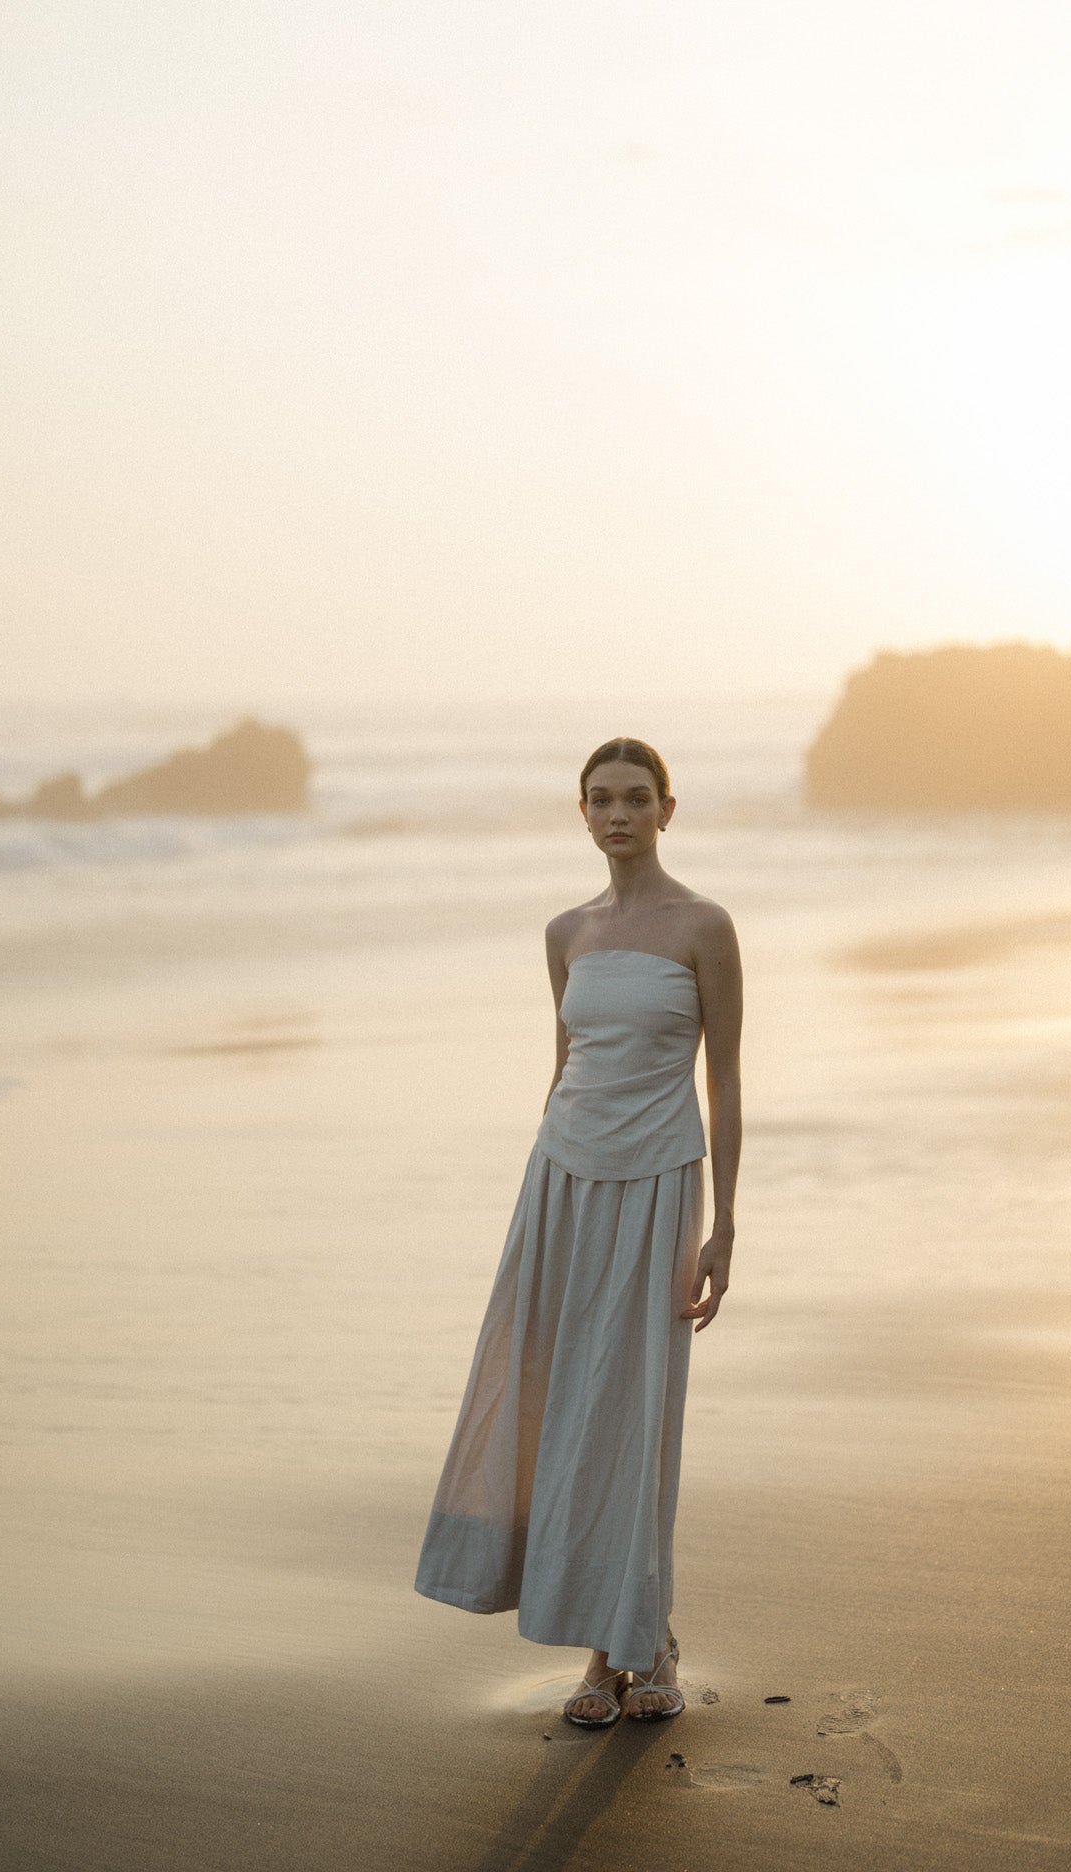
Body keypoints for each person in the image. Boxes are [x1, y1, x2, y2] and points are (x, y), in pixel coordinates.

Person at [414, 736, 742, 1725]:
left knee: (633, 1411)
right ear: (584, 812)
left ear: (668, 809)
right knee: (557, 1403)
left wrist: (727, 1224)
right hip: (561, 1179)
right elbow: (564, 1069)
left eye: (637, 798)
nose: (619, 813)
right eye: (601, 798)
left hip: (659, 1183)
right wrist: (536, 1192)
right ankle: (598, 1655)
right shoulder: (566, 931)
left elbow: (724, 1081)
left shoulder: (706, 926)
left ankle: (641, 1640)